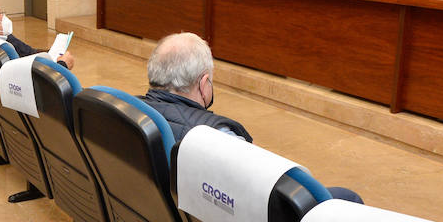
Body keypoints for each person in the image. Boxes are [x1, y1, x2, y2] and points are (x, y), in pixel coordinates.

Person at [142, 33, 360, 201]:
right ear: (203, 83)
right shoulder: (216, 137)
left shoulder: (132, 110)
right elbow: (277, 189)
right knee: (347, 197)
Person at [0, 0, 74, 69]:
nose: (3, 17)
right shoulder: (3, 52)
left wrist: (52, 53)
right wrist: (62, 65)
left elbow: (28, 52)